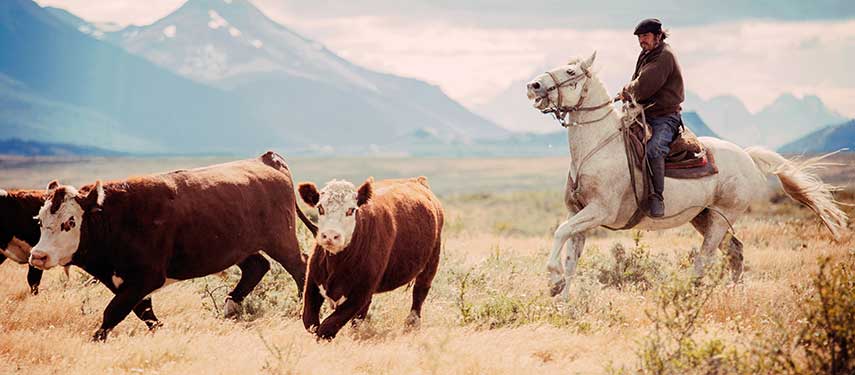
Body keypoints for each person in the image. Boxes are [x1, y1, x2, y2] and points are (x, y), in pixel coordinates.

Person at [617, 18, 685, 218]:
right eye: (639, 37)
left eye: (645, 36)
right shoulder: (647, 54)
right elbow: (637, 81)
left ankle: (657, 197)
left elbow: (644, 86)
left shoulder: (664, 56)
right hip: (646, 113)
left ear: (658, 35)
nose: (641, 41)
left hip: (665, 117)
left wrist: (627, 91)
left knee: (654, 149)